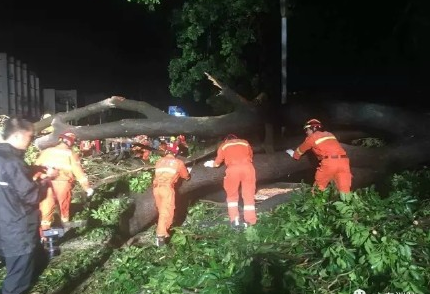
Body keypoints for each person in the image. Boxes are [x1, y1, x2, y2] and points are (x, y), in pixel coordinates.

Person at [0, 117, 56, 294]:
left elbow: (8, 180)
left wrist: (30, 170)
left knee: (28, 264)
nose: (30, 141)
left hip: (3, 226)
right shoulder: (14, 163)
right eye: (29, 137)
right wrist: (47, 179)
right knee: (18, 280)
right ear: (17, 136)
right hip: (17, 229)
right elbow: (31, 195)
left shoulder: (7, 160)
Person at [35, 132, 94, 231]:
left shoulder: (46, 151)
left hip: (46, 183)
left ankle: (44, 232)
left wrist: (33, 182)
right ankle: (65, 225)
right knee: (64, 205)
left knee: (46, 207)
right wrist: (87, 187)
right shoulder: (70, 154)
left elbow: (35, 168)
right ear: (71, 142)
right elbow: (79, 172)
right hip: (63, 183)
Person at [285, 119, 352, 194]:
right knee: (344, 189)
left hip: (329, 162)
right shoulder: (329, 134)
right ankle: (347, 203)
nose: (306, 132)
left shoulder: (312, 137)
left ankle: (316, 202)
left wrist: (294, 154)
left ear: (313, 129)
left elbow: (301, 149)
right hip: (344, 162)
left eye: (307, 130)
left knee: (319, 187)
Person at [204, 134, 257, 229]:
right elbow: (251, 155)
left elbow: (217, 162)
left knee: (232, 196)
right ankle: (250, 221)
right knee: (248, 194)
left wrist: (211, 164)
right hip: (248, 168)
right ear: (236, 138)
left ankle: (234, 220)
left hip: (233, 170)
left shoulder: (224, 145)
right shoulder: (244, 142)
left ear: (226, 140)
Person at [152, 149, 191, 247]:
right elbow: (185, 176)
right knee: (167, 212)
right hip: (167, 189)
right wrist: (187, 175)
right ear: (176, 154)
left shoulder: (159, 161)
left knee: (161, 211)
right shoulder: (178, 162)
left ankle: (164, 230)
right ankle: (160, 236)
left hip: (156, 189)